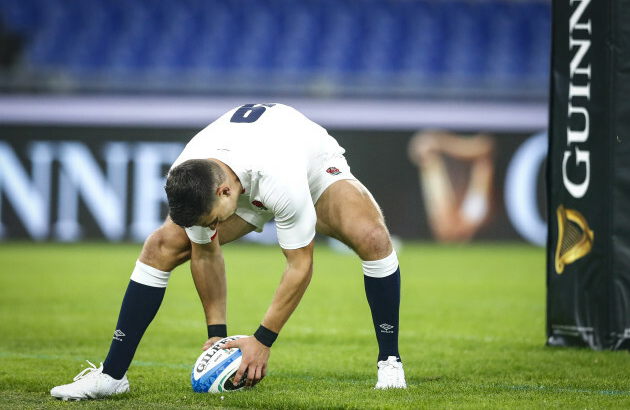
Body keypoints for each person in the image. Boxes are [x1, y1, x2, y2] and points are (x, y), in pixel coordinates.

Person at [50, 103, 406, 401]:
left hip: (309, 170)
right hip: (244, 177)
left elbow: (300, 264)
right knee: (161, 245)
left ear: (223, 193)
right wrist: (217, 335)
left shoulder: (280, 178)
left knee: (373, 238)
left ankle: (390, 360)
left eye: (213, 221)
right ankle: (112, 375)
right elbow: (205, 252)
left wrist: (262, 340)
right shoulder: (190, 176)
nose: (212, 229)